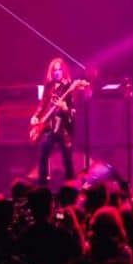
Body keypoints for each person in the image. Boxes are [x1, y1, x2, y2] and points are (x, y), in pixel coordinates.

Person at [30, 58, 87, 186]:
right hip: (49, 127)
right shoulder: (49, 86)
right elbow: (43, 103)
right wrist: (35, 116)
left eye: (59, 70)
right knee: (43, 155)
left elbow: (75, 111)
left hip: (64, 128)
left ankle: (70, 187)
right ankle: (42, 187)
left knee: (67, 159)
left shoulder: (69, 87)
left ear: (64, 71)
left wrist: (64, 107)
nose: (57, 72)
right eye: (54, 70)